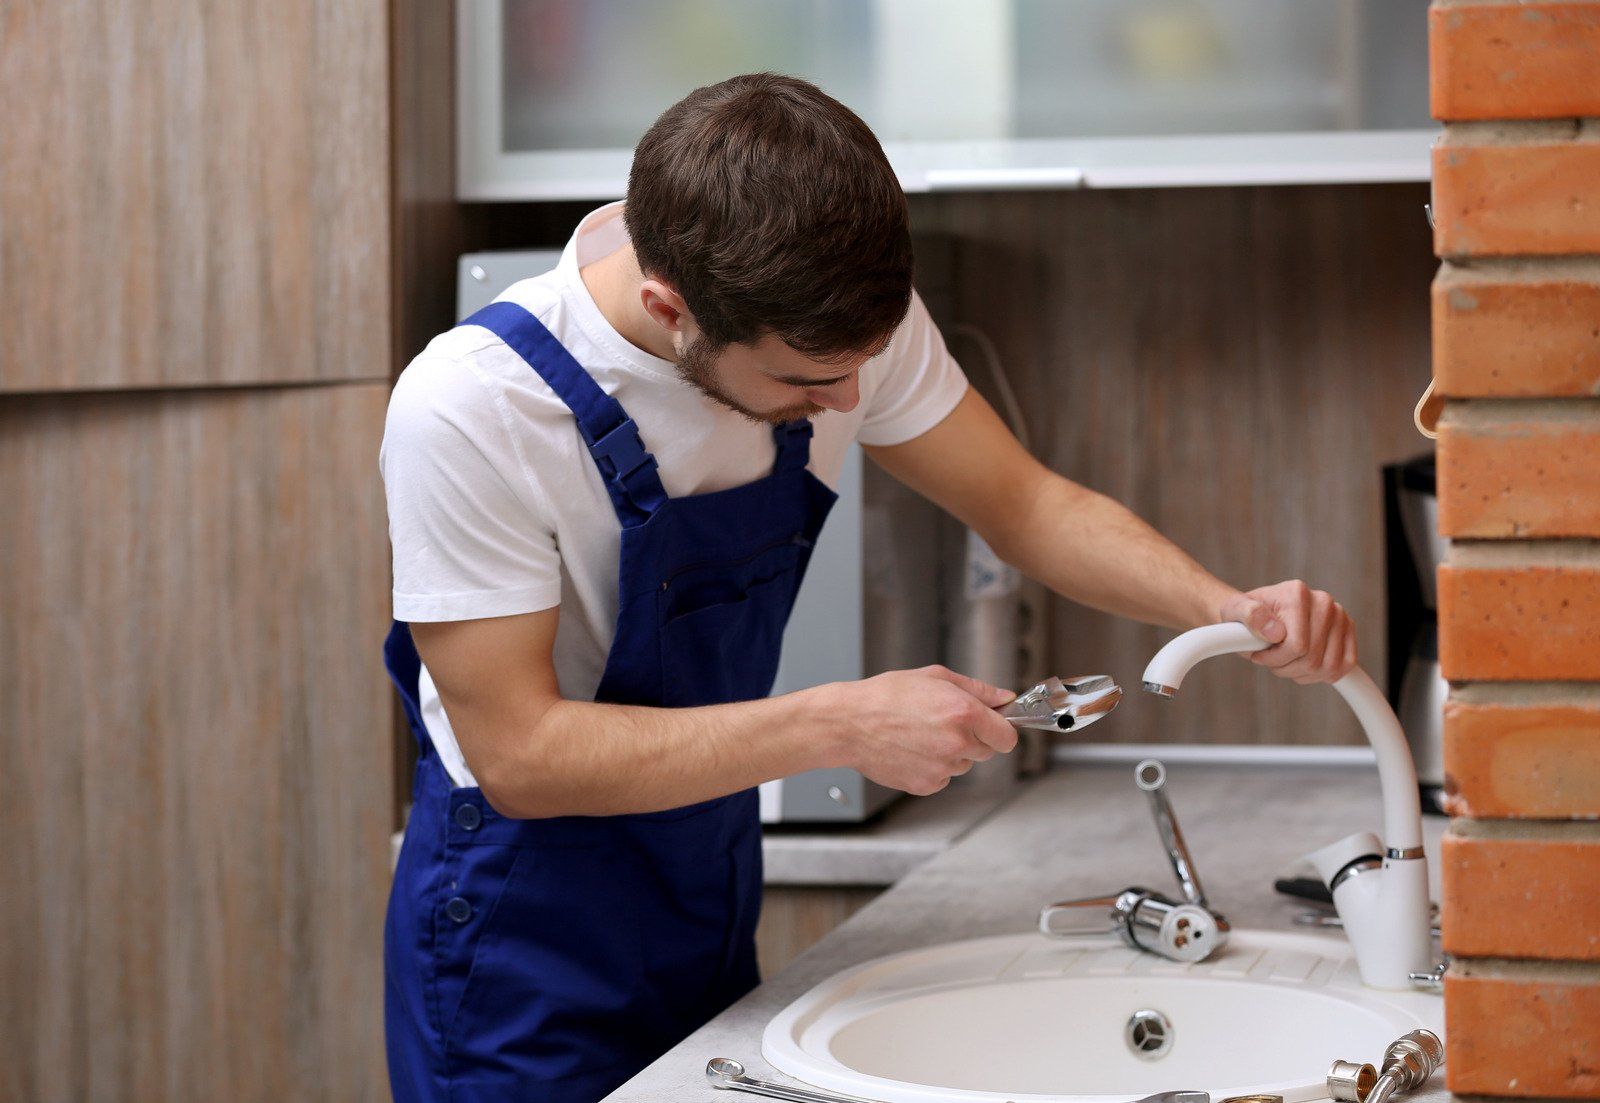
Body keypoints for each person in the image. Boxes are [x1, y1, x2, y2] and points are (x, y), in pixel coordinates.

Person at [379, 73, 1357, 1103]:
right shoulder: (474, 407)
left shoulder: (829, 320)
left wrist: (1223, 608)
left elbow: (1023, 503)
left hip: (703, 896)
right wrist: (841, 723)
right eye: (807, 382)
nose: (848, 399)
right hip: (513, 948)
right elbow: (521, 754)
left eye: (863, 364)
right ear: (671, 309)